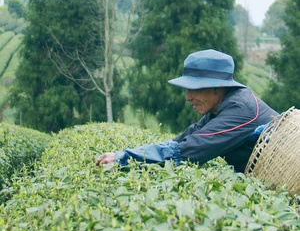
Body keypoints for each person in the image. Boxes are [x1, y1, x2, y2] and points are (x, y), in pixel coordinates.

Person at [96, 49, 279, 173]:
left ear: (217, 88)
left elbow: (188, 150)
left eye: (194, 88)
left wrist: (125, 160)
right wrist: (126, 154)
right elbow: (182, 140)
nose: (187, 97)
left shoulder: (240, 109)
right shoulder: (219, 109)